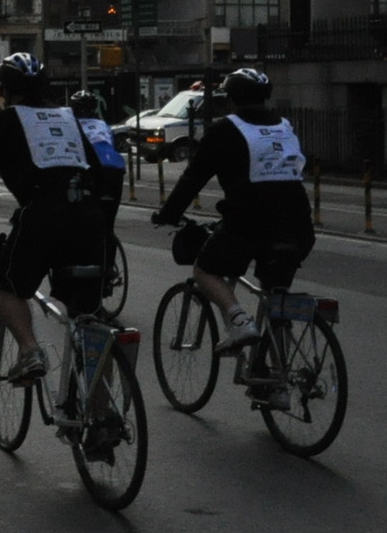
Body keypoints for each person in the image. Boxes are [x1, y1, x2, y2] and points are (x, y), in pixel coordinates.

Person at [0, 53, 109, 384]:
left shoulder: (5, 120)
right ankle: (101, 412)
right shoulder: (69, 118)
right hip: (88, 218)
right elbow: (98, 172)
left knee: (7, 284)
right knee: (88, 315)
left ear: (6, 89)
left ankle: (29, 351)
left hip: (42, 217)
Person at [151, 67, 315, 357]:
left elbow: (194, 177)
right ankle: (279, 380)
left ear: (230, 100)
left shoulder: (225, 130)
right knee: (277, 298)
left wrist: (169, 213)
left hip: (249, 223)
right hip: (298, 225)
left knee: (205, 270)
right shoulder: (284, 126)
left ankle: (238, 321)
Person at [70, 90, 127, 227]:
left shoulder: (72, 125)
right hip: (115, 167)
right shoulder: (103, 125)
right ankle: (108, 240)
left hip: (91, 167)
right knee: (109, 222)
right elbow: (111, 144)